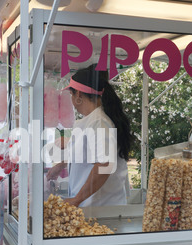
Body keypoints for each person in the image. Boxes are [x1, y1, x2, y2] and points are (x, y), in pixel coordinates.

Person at [47, 64, 134, 207]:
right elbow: (87, 153)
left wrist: (77, 199)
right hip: (92, 206)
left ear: (79, 95)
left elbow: (104, 165)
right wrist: (62, 164)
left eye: (71, 94)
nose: (72, 101)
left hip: (100, 207)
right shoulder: (92, 120)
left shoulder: (99, 122)